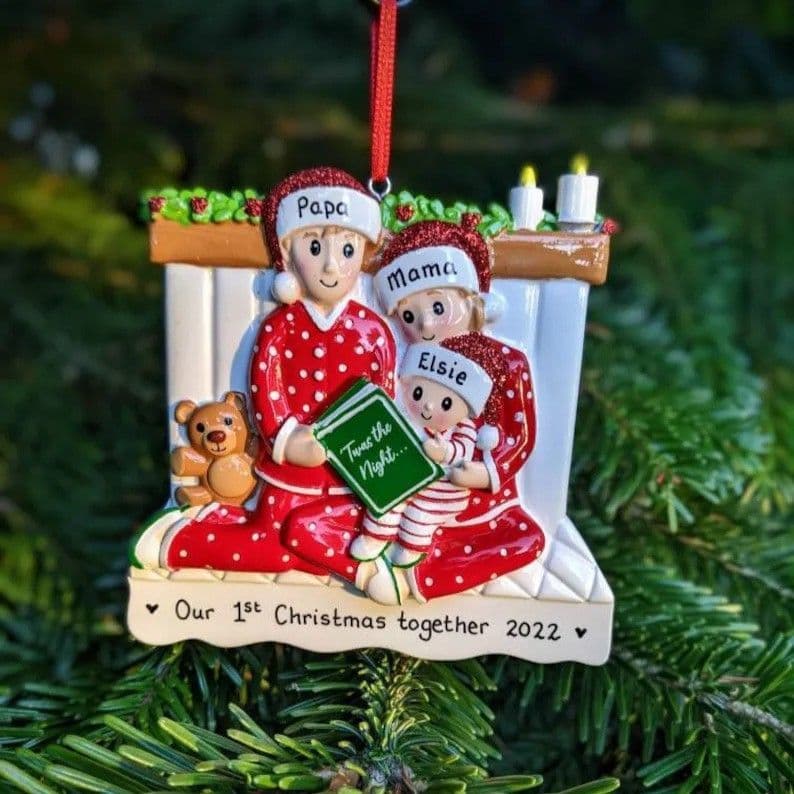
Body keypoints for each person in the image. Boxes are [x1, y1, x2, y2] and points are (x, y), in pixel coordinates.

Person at [132, 167, 396, 573]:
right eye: (314, 248)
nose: (331, 267)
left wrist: (363, 456)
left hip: (350, 482)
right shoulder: (280, 326)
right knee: (277, 546)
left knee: (309, 544)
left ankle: (207, 530)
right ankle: (180, 542)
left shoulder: (373, 331)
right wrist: (290, 441)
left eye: (347, 249)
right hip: (290, 474)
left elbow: (383, 409)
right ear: (287, 253)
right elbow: (266, 394)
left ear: (363, 253)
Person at [285, 214, 545, 603]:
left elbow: (520, 436)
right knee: (302, 526)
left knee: (527, 540)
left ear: (471, 300)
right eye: (409, 315)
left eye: (438, 307)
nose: (425, 325)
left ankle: (423, 574)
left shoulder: (507, 363)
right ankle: (371, 568)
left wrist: (486, 471)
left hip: (476, 507)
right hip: (397, 497)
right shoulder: (401, 364)